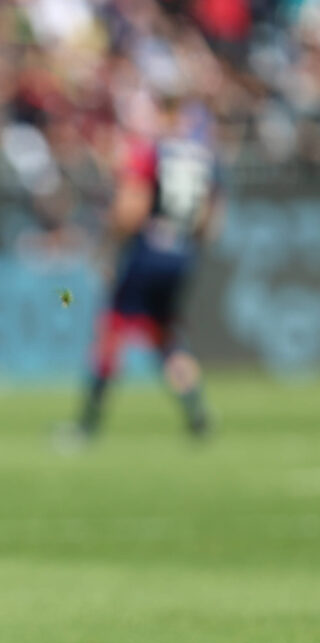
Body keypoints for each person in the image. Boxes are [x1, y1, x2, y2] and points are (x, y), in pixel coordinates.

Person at [76, 87, 223, 440]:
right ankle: (196, 410)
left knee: (112, 330)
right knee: (165, 336)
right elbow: (210, 222)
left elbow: (131, 211)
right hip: (182, 254)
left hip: (146, 252)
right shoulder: (206, 159)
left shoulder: (149, 152)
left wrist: (108, 245)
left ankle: (87, 424)